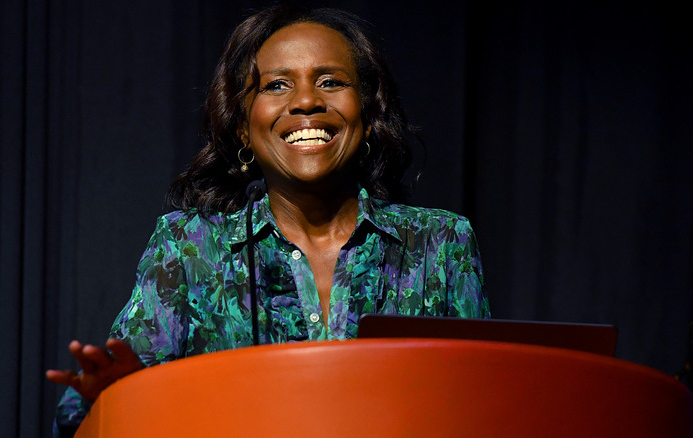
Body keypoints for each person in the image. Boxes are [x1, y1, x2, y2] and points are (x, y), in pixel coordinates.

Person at [46, 5, 490, 436]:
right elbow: (87, 413)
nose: (306, 101)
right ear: (243, 127)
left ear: (369, 114)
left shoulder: (441, 243)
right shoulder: (189, 246)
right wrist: (116, 395)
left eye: (331, 81)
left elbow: (482, 406)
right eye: (277, 85)